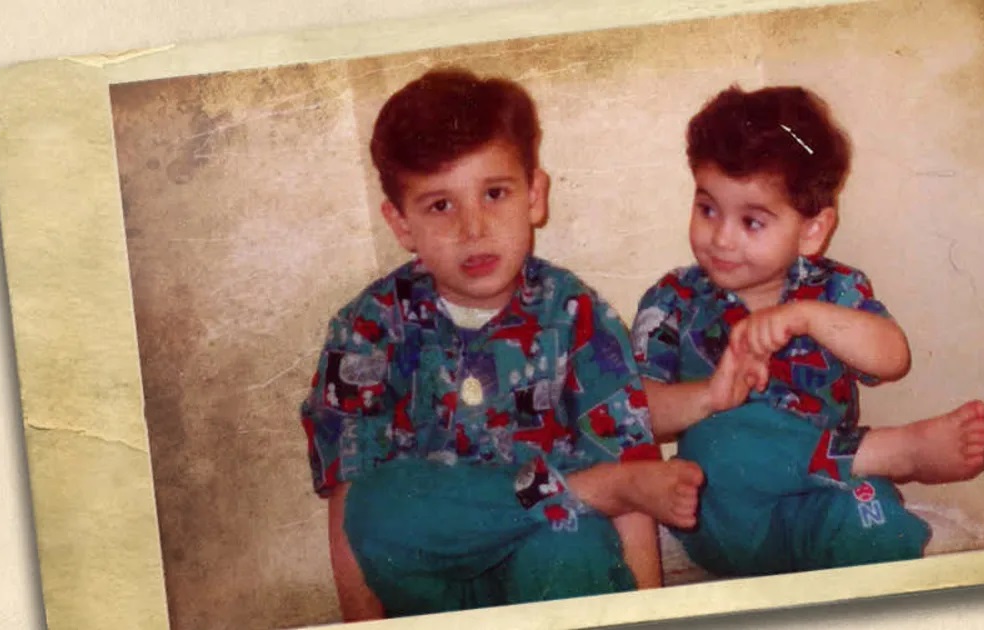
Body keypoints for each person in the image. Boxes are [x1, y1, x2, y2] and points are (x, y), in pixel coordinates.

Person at [299, 68, 703, 620]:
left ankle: (576, 499)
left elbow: (632, 469)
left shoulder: (574, 313)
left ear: (534, 196)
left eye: (494, 193)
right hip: (436, 591)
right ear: (401, 223)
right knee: (373, 505)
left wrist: (651, 613)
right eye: (440, 205)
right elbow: (352, 507)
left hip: (555, 568)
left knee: (570, 536)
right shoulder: (367, 326)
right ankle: (582, 490)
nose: (473, 228)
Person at [631, 84, 984, 577]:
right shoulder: (673, 301)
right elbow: (637, 417)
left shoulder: (834, 290)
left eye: (752, 222)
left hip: (823, 495)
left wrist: (806, 317)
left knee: (873, 512)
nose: (720, 237)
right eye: (708, 209)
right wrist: (711, 398)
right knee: (724, 442)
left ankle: (863, 486)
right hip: (729, 512)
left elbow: (893, 357)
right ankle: (890, 452)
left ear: (812, 231)